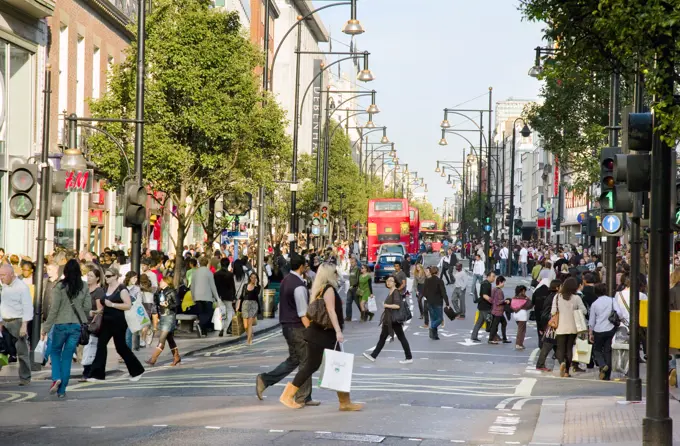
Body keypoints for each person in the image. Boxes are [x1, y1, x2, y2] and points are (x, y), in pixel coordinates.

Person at [280, 263, 362, 411]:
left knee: (336, 365)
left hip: (320, 333)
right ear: (329, 274)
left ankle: (345, 402)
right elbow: (331, 311)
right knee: (314, 365)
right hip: (323, 334)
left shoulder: (319, 289)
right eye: (335, 272)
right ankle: (287, 395)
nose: (337, 274)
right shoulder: (328, 289)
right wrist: (338, 330)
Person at [257, 254, 318, 407]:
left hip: (286, 326)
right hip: (297, 327)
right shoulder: (298, 285)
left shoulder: (286, 281)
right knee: (307, 361)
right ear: (302, 266)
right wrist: (311, 331)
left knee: (295, 360)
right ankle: (302, 397)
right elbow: (302, 313)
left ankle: (265, 380)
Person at [41, 259, 91, 397]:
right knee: (67, 357)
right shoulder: (84, 286)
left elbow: (54, 309)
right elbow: (87, 307)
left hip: (60, 325)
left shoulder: (59, 287)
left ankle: (56, 377)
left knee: (55, 352)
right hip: (76, 326)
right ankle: (62, 391)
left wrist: (45, 327)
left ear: (65, 272)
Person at [87, 268, 145, 382]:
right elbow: (105, 305)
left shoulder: (121, 289)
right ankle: (97, 375)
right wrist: (97, 312)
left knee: (121, 347)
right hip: (106, 321)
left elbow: (128, 305)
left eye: (109, 276)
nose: (106, 278)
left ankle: (137, 371)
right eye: (106, 276)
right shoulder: (106, 288)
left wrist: (113, 304)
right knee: (101, 345)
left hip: (118, 321)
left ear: (115, 276)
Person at [363, 275, 413, 363]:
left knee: (400, 337)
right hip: (389, 318)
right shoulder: (391, 291)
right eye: (387, 281)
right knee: (384, 337)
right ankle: (373, 356)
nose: (388, 282)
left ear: (395, 283)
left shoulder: (396, 292)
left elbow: (397, 306)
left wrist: (386, 305)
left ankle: (409, 357)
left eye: (391, 281)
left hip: (393, 319)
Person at [0, 264, 33, 385]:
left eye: (3, 275)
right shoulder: (4, 286)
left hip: (18, 322)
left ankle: (25, 378)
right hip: (6, 322)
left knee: (22, 352)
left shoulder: (22, 287)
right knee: (2, 350)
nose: (1, 278)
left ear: (11, 274)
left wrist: (24, 325)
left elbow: (27, 306)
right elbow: (3, 304)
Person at [588, 283, 625, 381]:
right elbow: (620, 313)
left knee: (597, 350)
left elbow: (591, 321)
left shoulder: (594, 304)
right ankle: (607, 375)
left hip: (598, 329)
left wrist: (590, 332)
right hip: (611, 328)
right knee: (608, 350)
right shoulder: (612, 300)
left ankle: (602, 365)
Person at [551, 277, 587, 378]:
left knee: (560, 348)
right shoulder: (576, 298)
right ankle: (567, 371)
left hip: (560, 326)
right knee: (569, 348)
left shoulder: (557, 297)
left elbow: (553, 311)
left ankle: (561, 362)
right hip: (573, 326)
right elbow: (584, 311)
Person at [146, 276, 181, 366]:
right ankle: (176, 357)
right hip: (163, 316)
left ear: (166, 282)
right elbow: (156, 304)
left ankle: (153, 359)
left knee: (162, 338)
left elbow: (177, 303)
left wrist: (168, 305)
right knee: (169, 338)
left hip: (169, 316)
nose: (160, 282)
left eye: (161, 281)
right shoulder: (159, 292)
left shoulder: (171, 291)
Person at [190, 256, 220, 336]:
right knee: (208, 313)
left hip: (197, 296)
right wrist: (217, 297)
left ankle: (203, 331)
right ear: (207, 263)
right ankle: (201, 325)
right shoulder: (209, 272)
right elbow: (213, 286)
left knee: (201, 314)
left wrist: (193, 296)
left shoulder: (195, 272)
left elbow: (192, 286)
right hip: (207, 296)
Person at [214, 257, 236, 336]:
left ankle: (221, 327)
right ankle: (225, 328)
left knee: (221, 312)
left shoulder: (216, 274)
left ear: (220, 264)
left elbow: (215, 286)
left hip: (219, 296)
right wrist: (234, 297)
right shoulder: (230, 275)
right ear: (228, 264)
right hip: (228, 296)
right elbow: (232, 286)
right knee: (230, 312)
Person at [471, 271, 495, 342]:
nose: (494, 278)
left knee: (480, 322)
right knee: (490, 322)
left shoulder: (486, 283)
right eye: (493, 276)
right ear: (488, 276)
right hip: (485, 306)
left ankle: (474, 336)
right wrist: (492, 301)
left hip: (482, 306)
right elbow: (484, 295)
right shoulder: (486, 284)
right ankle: (493, 337)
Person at [488, 276, 510, 345]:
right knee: (495, 325)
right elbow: (499, 301)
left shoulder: (493, 289)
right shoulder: (499, 291)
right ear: (500, 282)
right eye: (503, 282)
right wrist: (505, 301)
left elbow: (491, 300)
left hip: (494, 310)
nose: (504, 284)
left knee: (503, 323)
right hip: (499, 311)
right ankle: (491, 339)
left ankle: (504, 338)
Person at [239, 272, 260, 345]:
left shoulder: (258, 287)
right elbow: (241, 296)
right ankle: (250, 334)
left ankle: (248, 341)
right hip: (245, 304)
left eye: (255, 278)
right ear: (250, 278)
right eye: (252, 277)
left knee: (249, 324)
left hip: (253, 305)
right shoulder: (245, 286)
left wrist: (256, 284)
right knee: (245, 326)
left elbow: (257, 293)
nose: (253, 279)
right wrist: (238, 306)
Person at [511, 285, 532, 350]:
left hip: (515, 314)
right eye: (524, 291)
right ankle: (519, 344)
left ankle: (519, 343)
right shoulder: (524, 298)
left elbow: (511, 306)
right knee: (522, 330)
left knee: (520, 329)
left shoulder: (514, 298)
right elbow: (530, 305)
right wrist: (528, 299)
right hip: (522, 315)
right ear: (522, 291)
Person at [345, 257, 361, 322]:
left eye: (353, 262)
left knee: (358, 303)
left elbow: (358, 279)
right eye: (351, 262)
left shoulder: (358, 269)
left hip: (355, 288)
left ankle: (364, 313)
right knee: (348, 302)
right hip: (350, 288)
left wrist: (356, 286)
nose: (352, 263)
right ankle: (348, 317)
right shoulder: (351, 269)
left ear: (356, 262)